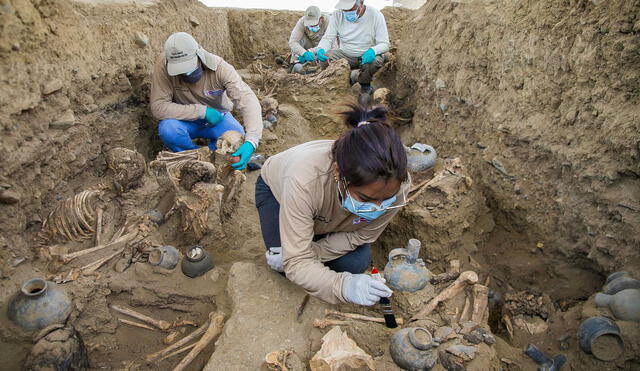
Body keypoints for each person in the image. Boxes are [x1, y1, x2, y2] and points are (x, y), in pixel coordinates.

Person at [255, 104, 411, 305]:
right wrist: (341, 286)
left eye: (386, 200)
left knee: (355, 263)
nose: (378, 208)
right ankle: (308, 238)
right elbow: (297, 263)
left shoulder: (398, 185)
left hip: (327, 212)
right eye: (365, 199)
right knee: (286, 267)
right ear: (339, 174)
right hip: (277, 193)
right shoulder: (304, 180)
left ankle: (314, 238)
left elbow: (364, 234)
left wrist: (313, 253)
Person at [150, 32, 262, 170]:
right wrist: (201, 111)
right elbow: (158, 106)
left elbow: (247, 99)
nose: (185, 74)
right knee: (168, 130)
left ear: (199, 55)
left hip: (218, 119)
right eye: (180, 71)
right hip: (183, 120)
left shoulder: (220, 68)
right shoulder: (164, 65)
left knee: (235, 140)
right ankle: (194, 157)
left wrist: (252, 141)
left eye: (188, 69)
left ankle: (212, 155)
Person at [315, 0, 390, 96]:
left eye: (351, 9)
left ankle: (365, 86)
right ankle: (337, 84)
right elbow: (328, 38)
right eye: (344, 10)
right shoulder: (337, 15)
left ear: (361, 4)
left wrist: (373, 50)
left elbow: (385, 44)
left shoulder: (375, 15)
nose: (347, 12)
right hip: (346, 53)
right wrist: (321, 48)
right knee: (325, 59)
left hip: (366, 55)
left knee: (372, 62)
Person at [288, 6, 331, 73]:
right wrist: (303, 53)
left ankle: (320, 69)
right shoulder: (302, 22)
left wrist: (312, 51)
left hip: (323, 48)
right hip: (310, 45)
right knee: (300, 39)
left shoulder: (329, 21)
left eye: (314, 24)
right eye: (309, 25)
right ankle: (294, 64)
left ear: (321, 19)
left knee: (326, 57)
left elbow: (332, 43)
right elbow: (293, 42)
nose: (312, 27)